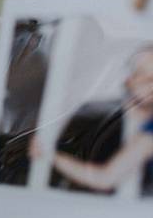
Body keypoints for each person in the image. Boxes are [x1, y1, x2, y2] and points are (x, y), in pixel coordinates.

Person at [29, 46, 153, 195]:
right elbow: (104, 178)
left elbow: (105, 179)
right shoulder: (93, 115)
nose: (151, 83)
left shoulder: (146, 130)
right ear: (129, 80)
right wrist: (49, 155)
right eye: (143, 76)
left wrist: (50, 156)